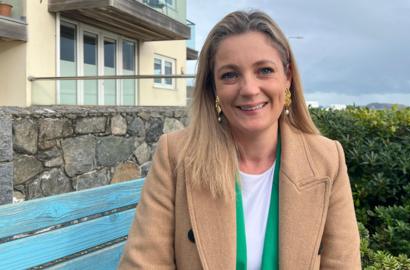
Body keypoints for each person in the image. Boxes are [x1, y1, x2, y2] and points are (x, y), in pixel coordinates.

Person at [119, 10, 360, 269]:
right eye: (230, 75)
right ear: (213, 88)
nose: (249, 89)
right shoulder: (176, 155)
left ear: (287, 77)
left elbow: (342, 263)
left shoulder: (327, 160)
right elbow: (144, 263)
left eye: (264, 70)